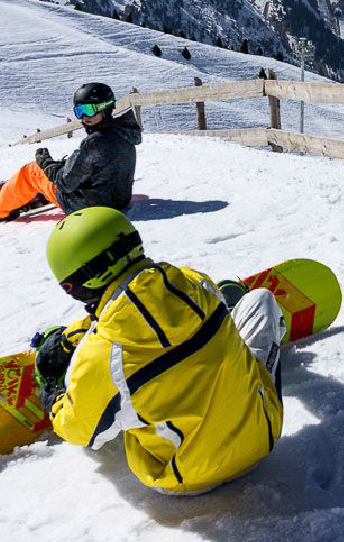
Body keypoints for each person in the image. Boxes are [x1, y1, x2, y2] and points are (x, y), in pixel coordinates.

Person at [32, 207, 285, 494]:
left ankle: (97, 397)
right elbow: (126, 307)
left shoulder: (100, 355)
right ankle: (228, 308)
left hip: (185, 478)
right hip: (263, 435)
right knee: (260, 300)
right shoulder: (195, 281)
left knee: (111, 394)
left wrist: (52, 389)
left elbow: (79, 432)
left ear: (72, 287)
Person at [0, 83, 142, 220]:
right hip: (118, 201)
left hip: (85, 206)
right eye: (80, 111)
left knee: (31, 171)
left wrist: (45, 162)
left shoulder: (96, 141)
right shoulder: (124, 133)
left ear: (105, 109)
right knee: (62, 165)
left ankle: (0, 208)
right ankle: (35, 189)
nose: (85, 116)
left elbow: (64, 183)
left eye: (89, 109)